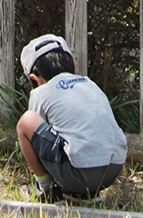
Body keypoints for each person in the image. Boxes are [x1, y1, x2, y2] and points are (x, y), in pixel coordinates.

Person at [16, 32, 127, 203]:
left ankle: (45, 188)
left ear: (35, 80)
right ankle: (85, 193)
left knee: (26, 122)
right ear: (74, 67)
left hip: (79, 172)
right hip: (113, 168)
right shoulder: (89, 84)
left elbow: (37, 139)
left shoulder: (41, 92)